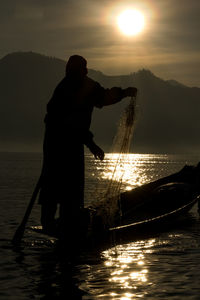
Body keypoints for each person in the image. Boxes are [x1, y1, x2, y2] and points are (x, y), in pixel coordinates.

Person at [39, 55, 137, 238]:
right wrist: (91, 144)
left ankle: (61, 227)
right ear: (76, 71)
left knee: (58, 188)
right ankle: (58, 227)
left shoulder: (78, 86)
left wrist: (123, 93)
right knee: (61, 189)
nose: (84, 72)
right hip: (60, 146)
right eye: (82, 69)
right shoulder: (69, 89)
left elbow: (103, 97)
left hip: (60, 145)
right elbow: (69, 124)